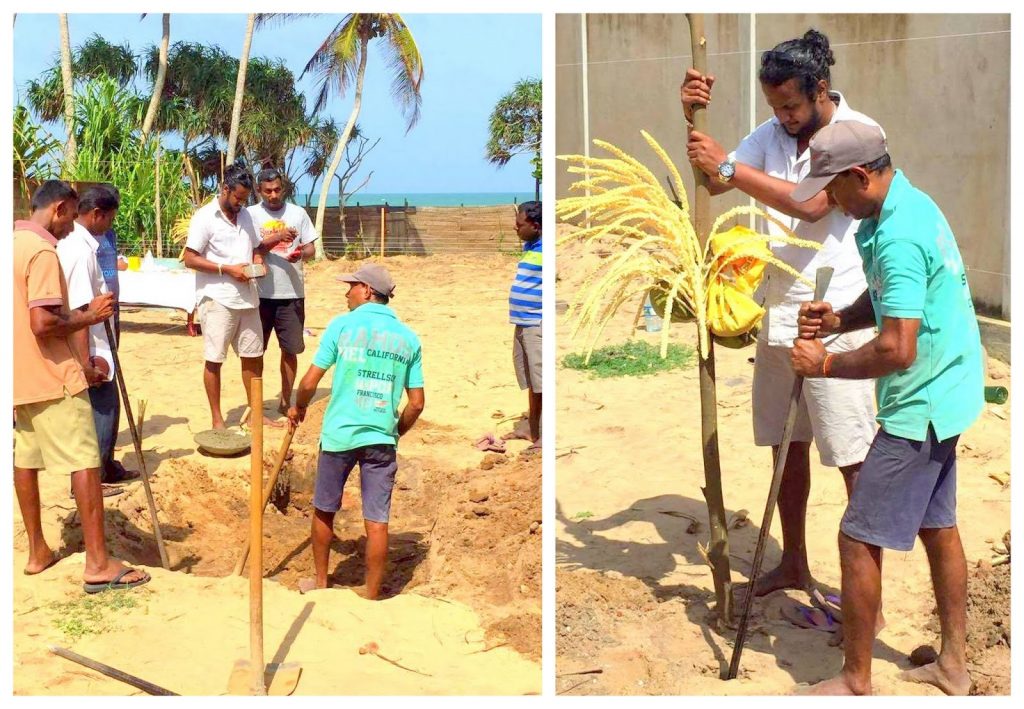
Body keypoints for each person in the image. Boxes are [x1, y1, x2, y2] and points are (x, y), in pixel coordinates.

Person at [681, 29, 879, 598]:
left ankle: (867, 593)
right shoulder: (770, 134)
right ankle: (794, 561)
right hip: (778, 309)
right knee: (785, 443)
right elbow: (712, 183)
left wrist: (727, 169)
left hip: (834, 311)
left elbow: (813, 206)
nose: (784, 117)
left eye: (791, 105)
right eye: (775, 107)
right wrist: (690, 117)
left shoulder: (856, 134)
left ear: (821, 88)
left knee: (850, 452)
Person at [791, 121, 982, 696]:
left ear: (860, 175)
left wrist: (823, 364)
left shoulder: (898, 235)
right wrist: (841, 320)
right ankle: (953, 663)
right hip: (951, 391)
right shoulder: (906, 205)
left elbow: (898, 349)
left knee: (857, 538)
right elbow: (893, 301)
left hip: (919, 404)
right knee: (937, 525)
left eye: (834, 187)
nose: (830, 201)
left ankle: (855, 680)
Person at [13, 179, 151, 592]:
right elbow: (43, 322)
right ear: (59, 209)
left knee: (26, 459)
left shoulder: (10, 244)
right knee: (86, 460)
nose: (71, 228)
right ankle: (97, 564)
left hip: (18, 377)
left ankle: (39, 551)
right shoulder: (42, 252)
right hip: (52, 374)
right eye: (70, 217)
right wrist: (89, 317)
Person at [288, 264, 424, 599]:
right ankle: (372, 592)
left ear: (365, 290)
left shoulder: (343, 326)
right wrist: (395, 432)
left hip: (340, 435)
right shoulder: (408, 338)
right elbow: (417, 403)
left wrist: (299, 406)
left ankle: (320, 583)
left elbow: (308, 382)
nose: (346, 293)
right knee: (377, 520)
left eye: (350, 287)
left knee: (324, 508)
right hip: (381, 436)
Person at [183, 165, 289, 429]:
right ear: (225, 189)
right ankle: (217, 419)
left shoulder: (245, 217)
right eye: (237, 198)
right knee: (215, 359)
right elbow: (189, 258)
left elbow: (256, 248)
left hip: (248, 298)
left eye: (244, 200)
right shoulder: (205, 217)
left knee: (253, 357)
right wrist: (227, 269)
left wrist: (258, 262)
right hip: (217, 298)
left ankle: (255, 413)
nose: (241, 204)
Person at [57, 183, 141, 490]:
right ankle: (93, 478)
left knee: (107, 405)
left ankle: (105, 467)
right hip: (89, 344)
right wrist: (85, 364)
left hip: (97, 337)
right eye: (110, 219)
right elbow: (79, 312)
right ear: (96, 214)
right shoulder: (79, 252)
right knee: (101, 409)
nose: (110, 226)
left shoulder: (80, 245)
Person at [247, 167, 319, 414]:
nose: (273, 195)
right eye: (268, 191)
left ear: (283, 188)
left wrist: (301, 254)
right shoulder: (250, 215)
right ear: (259, 191)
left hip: (292, 294)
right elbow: (251, 249)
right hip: (258, 294)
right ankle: (255, 404)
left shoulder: (298, 214)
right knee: (255, 351)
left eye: (277, 189)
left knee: (290, 351)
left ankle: (285, 400)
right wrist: (277, 236)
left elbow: (311, 249)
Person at [504, 201, 542, 454]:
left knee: (542, 382)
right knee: (531, 381)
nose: (515, 228)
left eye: (520, 225)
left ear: (536, 226)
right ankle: (533, 429)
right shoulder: (530, 246)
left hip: (536, 325)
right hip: (522, 322)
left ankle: (545, 438)